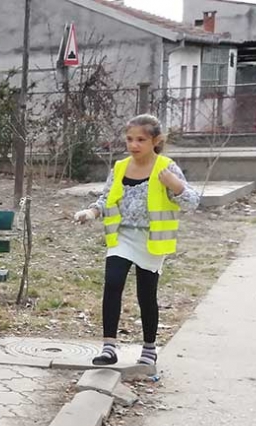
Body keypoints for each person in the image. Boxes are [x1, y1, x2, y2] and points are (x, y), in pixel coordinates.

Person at [73, 114, 200, 368]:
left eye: (141, 139)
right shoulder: (120, 168)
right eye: (130, 139)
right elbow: (107, 198)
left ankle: (149, 348)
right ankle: (109, 347)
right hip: (122, 236)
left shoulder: (166, 167)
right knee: (113, 283)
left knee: (146, 294)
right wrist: (92, 212)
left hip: (151, 240)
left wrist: (176, 186)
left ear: (156, 140)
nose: (134, 145)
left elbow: (193, 202)